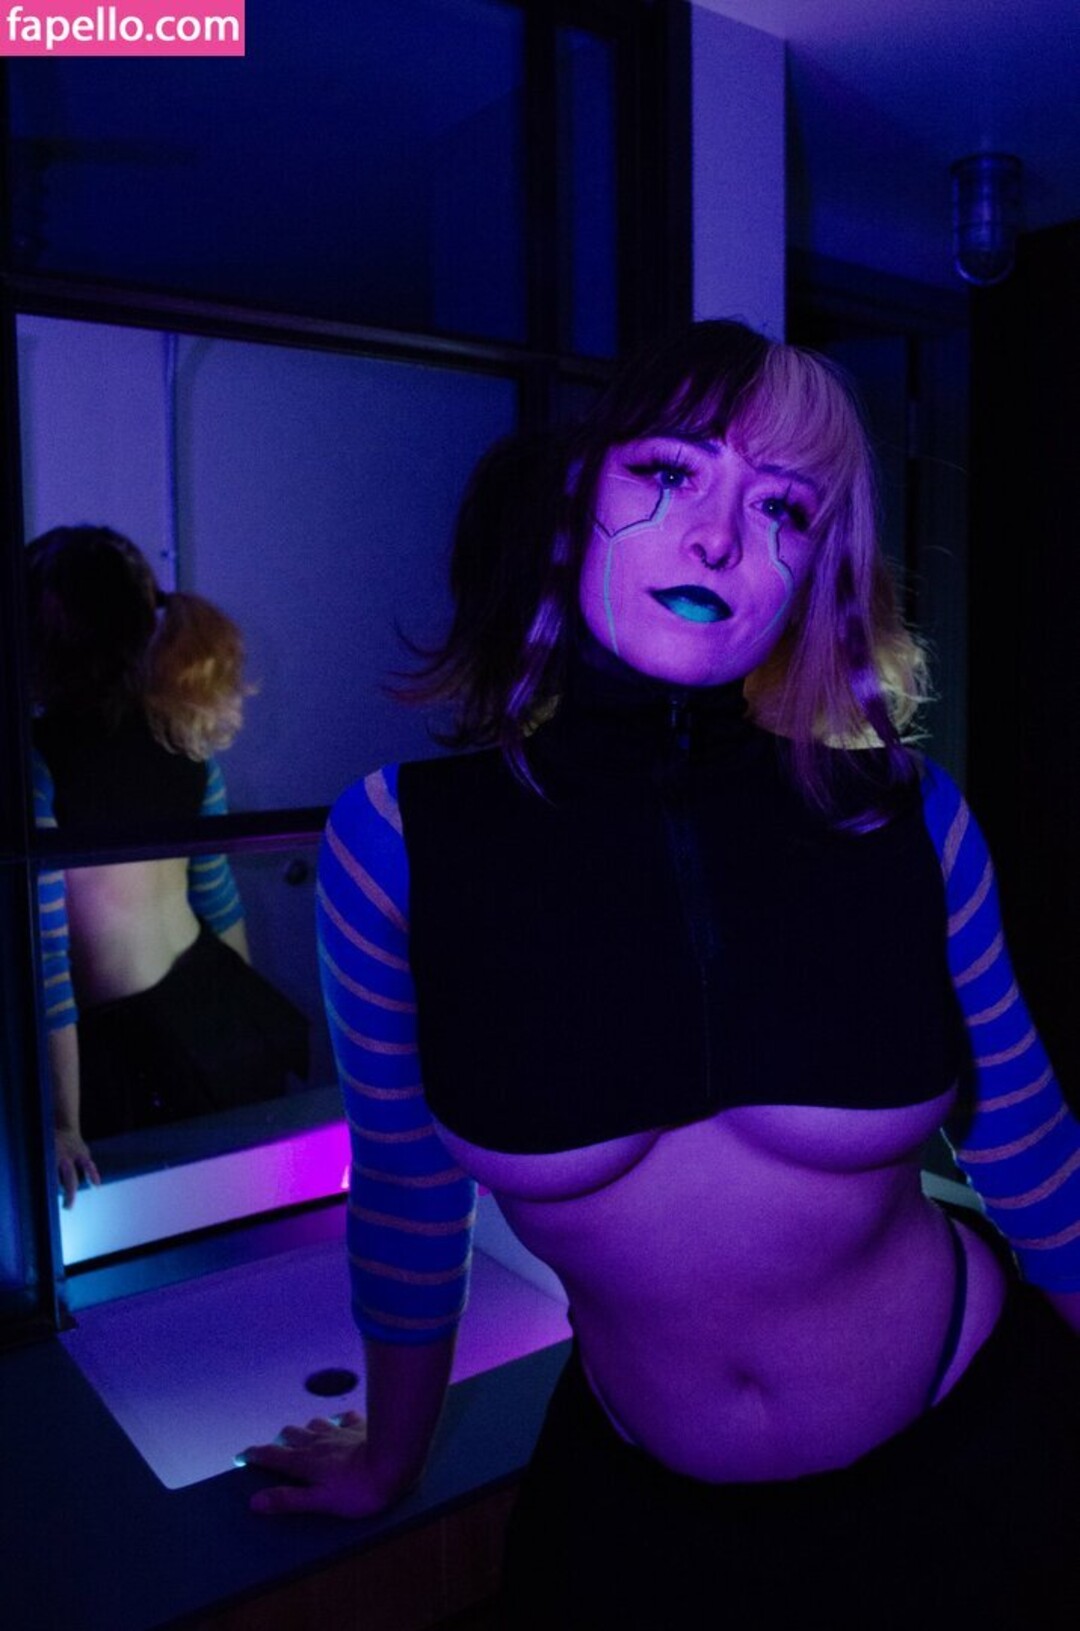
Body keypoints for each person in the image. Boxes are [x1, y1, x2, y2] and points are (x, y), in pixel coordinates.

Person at [243, 324, 1080, 1625]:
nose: (718, 538)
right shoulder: (401, 840)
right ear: (580, 499)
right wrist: (386, 1458)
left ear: (813, 571)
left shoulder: (907, 815)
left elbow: (1028, 1147)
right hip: (647, 1525)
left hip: (981, 1458)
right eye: (671, 472)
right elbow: (407, 1189)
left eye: (783, 507)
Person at [27, 525, 308, 1203]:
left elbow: (49, 961)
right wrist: (246, 1025)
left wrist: (63, 1121)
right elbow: (218, 897)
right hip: (209, 1004)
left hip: (121, 1049)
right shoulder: (182, 737)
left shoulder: (36, 766)